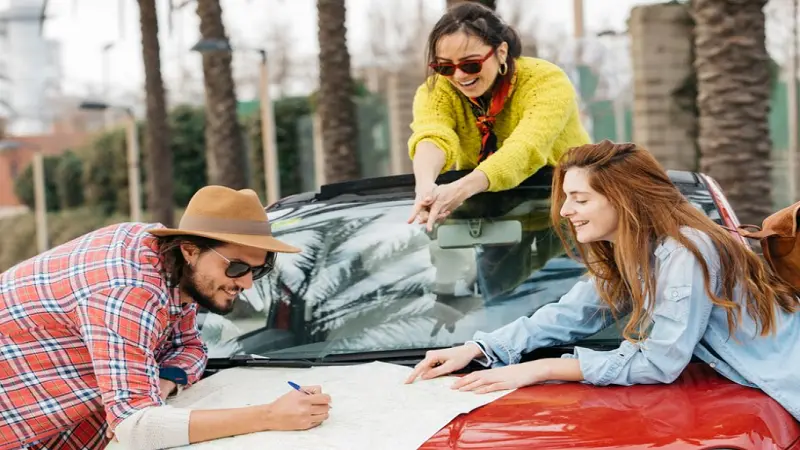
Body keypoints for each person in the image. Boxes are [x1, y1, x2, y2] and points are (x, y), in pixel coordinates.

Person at [405, 140, 800, 422]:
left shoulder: (686, 250)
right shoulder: (635, 253)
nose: (565, 210)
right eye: (566, 198)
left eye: (580, 198)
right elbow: (570, 314)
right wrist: (477, 347)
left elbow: (661, 361)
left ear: (623, 200)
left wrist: (541, 369)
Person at [0, 186, 332, 450]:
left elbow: (191, 347)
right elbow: (137, 428)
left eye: (258, 270)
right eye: (237, 267)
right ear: (190, 250)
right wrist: (270, 415)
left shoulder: (170, 266)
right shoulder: (128, 289)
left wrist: (163, 381)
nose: (245, 282)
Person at [407, 2, 591, 231]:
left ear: (501, 52)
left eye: (471, 64)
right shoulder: (436, 91)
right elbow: (433, 137)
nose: (459, 75)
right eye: (444, 67)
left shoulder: (546, 80)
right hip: (495, 212)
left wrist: (461, 189)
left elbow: (526, 148)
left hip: (569, 207)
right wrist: (425, 187)